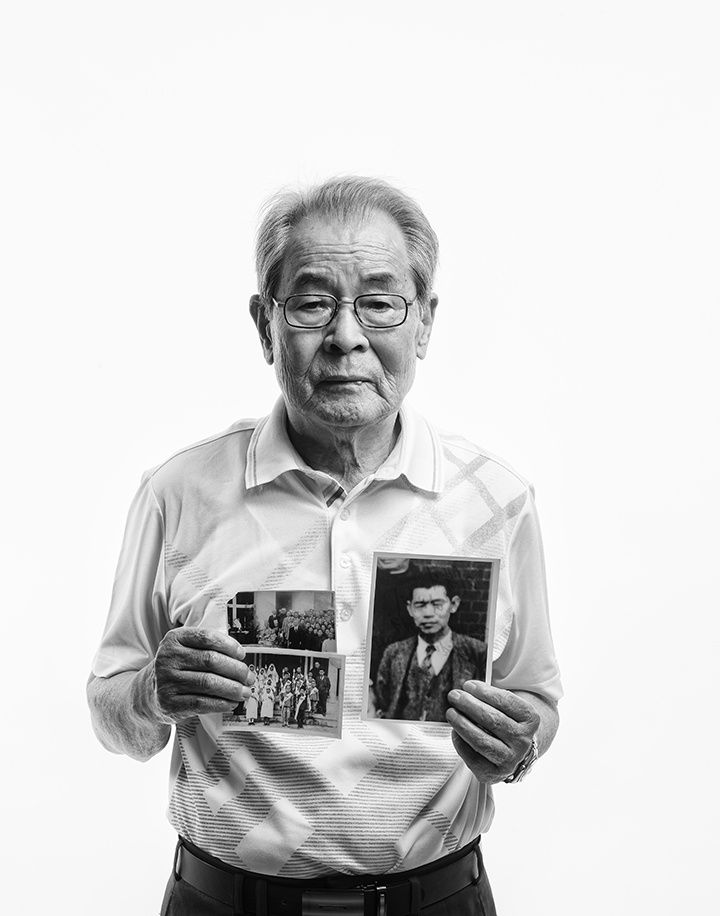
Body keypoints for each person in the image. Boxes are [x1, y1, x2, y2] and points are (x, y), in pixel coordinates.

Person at [87, 176, 561, 916]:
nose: (346, 337)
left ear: (424, 324)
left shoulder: (496, 499)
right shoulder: (176, 493)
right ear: (264, 325)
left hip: (439, 902)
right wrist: (151, 691)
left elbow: (535, 697)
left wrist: (519, 745)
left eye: (380, 302)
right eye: (312, 303)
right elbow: (110, 711)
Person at [373, 577, 486, 722]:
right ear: (410, 609)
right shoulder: (393, 653)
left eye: (437, 604)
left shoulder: (478, 653)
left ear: (453, 605)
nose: (428, 613)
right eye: (420, 605)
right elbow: (383, 702)